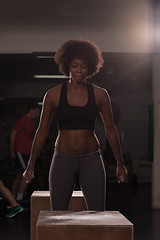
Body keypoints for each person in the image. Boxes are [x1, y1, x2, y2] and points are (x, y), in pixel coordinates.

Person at [23, 38, 128, 211]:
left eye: (84, 66)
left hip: (92, 160)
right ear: (67, 66)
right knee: (58, 213)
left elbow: (110, 130)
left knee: (97, 213)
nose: (79, 70)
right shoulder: (53, 95)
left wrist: (120, 164)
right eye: (74, 65)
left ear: (91, 68)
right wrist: (30, 165)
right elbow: (41, 131)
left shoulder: (100, 95)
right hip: (63, 160)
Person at [10, 103, 40, 201]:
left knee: (19, 175)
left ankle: (13, 198)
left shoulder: (32, 122)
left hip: (28, 152)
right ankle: (19, 198)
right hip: (20, 151)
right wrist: (13, 152)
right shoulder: (23, 120)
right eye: (37, 112)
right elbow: (13, 135)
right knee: (26, 174)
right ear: (31, 110)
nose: (38, 114)